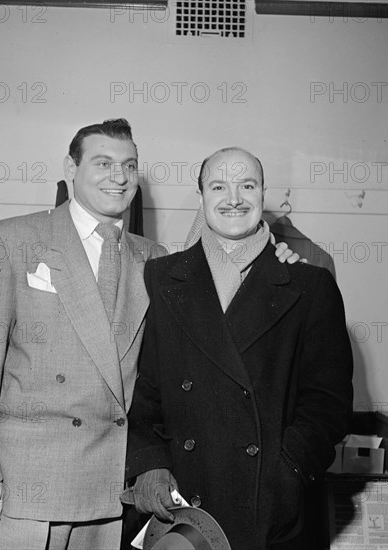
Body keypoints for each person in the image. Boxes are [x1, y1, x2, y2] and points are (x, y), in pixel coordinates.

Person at [0, 122, 298, 550]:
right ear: (70, 168)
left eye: (129, 166)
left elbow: (223, 285)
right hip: (27, 488)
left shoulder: (157, 261)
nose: (119, 176)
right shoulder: (8, 241)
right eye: (103, 163)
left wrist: (273, 256)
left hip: (111, 491)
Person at [124, 147, 354, 550]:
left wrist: (287, 475)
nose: (233, 199)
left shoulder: (310, 285)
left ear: (263, 195)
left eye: (246, 185)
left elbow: (328, 406)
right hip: (181, 502)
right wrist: (150, 463)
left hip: (268, 508)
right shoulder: (161, 278)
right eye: (219, 186)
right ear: (201, 197)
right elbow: (147, 389)